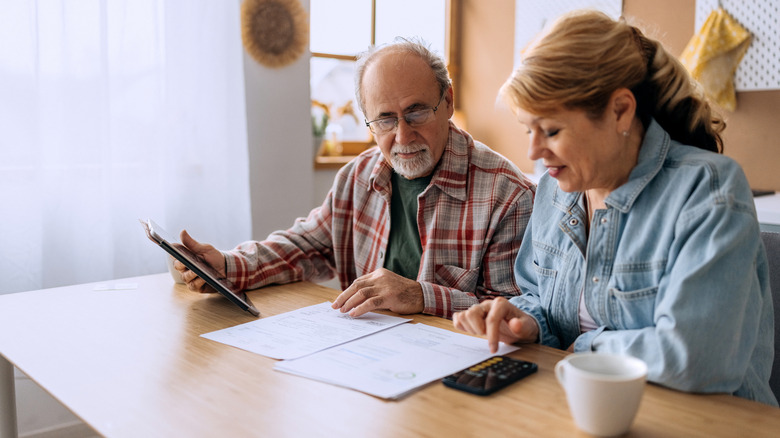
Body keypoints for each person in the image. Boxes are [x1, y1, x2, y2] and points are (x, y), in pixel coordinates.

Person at [453, 10, 777, 406]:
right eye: (528, 129)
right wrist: (525, 322)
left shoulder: (707, 189)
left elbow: (695, 357)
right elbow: (539, 298)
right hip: (584, 408)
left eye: (552, 130)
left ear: (620, 110)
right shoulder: (553, 191)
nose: (533, 152)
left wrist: (587, 347)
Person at [175, 37, 535, 319]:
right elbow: (305, 246)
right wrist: (225, 265)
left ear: (449, 101)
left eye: (417, 112)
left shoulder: (508, 194)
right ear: (367, 121)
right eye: (384, 120)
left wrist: (419, 295)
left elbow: (514, 312)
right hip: (366, 363)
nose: (403, 137)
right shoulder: (357, 176)